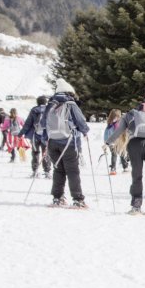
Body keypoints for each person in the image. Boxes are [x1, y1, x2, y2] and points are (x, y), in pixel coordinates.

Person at [42, 79, 91, 208]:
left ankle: (57, 198)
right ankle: (78, 199)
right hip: (68, 142)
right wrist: (85, 131)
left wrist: (46, 138)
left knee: (58, 170)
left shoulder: (50, 104)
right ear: (70, 92)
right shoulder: (70, 104)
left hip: (52, 142)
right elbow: (80, 122)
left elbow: (43, 123)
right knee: (73, 171)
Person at [18, 96, 51, 177]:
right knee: (45, 153)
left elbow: (28, 123)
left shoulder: (34, 110)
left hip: (35, 136)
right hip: (46, 135)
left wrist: (21, 133)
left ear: (37, 102)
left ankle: (35, 171)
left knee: (35, 153)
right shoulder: (49, 109)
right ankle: (47, 172)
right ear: (45, 102)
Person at [103, 109, 131, 175]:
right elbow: (107, 134)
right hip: (112, 142)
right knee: (114, 154)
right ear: (111, 116)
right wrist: (106, 142)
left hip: (119, 142)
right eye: (114, 116)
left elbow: (123, 132)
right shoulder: (110, 125)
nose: (116, 118)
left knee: (122, 154)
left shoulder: (120, 123)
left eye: (118, 116)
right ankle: (113, 168)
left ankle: (125, 166)